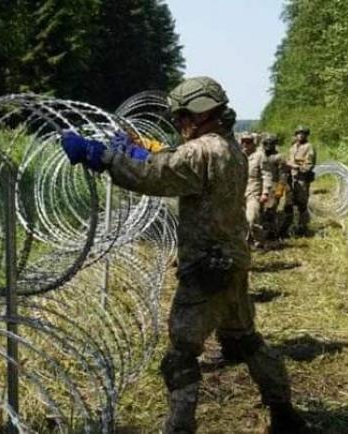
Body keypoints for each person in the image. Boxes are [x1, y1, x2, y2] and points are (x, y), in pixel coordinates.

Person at [60, 76, 308, 433]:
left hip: (206, 267)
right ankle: (285, 415)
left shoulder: (200, 150)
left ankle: (179, 428)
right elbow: (175, 166)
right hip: (233, 260)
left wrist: (103, 157)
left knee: (181, 355)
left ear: (199, 113)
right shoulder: (230, 147)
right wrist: (142, 153)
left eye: (181, 117)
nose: (179, 124)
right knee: (245, 340)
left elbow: (155, 175)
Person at [280, 126, 316, 237]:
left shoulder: (309, 147)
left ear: (306, 135)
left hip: (302, 180)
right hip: (291, 179)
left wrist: (295, 166)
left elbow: (308, 166)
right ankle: (287, 228)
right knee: (288, 204)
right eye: (298, 133)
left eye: (303, 133)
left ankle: (302, 228)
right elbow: (288, 160)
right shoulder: (293, 147)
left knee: (302, 205)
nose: (300, 135)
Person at [241, 133, 272, 247]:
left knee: (252, 219)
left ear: (253, 143)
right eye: (243, 141)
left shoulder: (259, 156)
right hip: (240, 192)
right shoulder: (239, 156)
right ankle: (246, 243)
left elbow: (266, 174)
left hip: (254, 192)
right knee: (241, 221)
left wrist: (265, 192)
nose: (245, 144)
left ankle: (260, 240)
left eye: (248, 142)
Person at [261, 134, 287, 242]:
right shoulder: (260, 155)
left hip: (274, 185)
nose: (268, 145)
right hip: (261, 186)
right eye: (265, 143)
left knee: (270, 211)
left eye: (270, 143)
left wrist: (280, 189)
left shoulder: (279, 157)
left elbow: (283, 174)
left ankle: (272, 235)